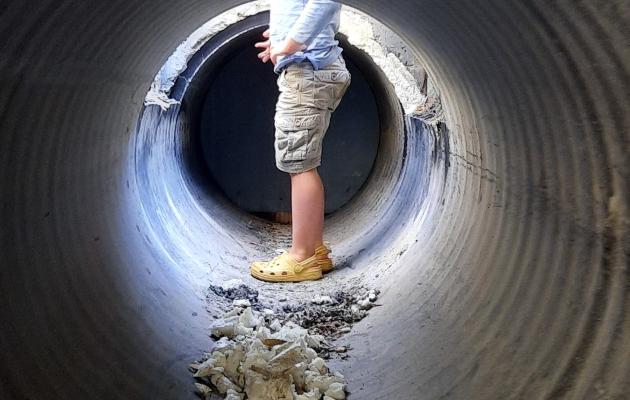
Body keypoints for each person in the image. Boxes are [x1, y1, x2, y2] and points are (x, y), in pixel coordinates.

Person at [250, 0, 350, 282]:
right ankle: (315, 250)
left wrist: (290, 44)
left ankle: (301, 257)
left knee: (299, 163)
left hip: (308, 71)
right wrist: (280, 39)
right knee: (302, 162)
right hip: (312, 68)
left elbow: (324, 2)